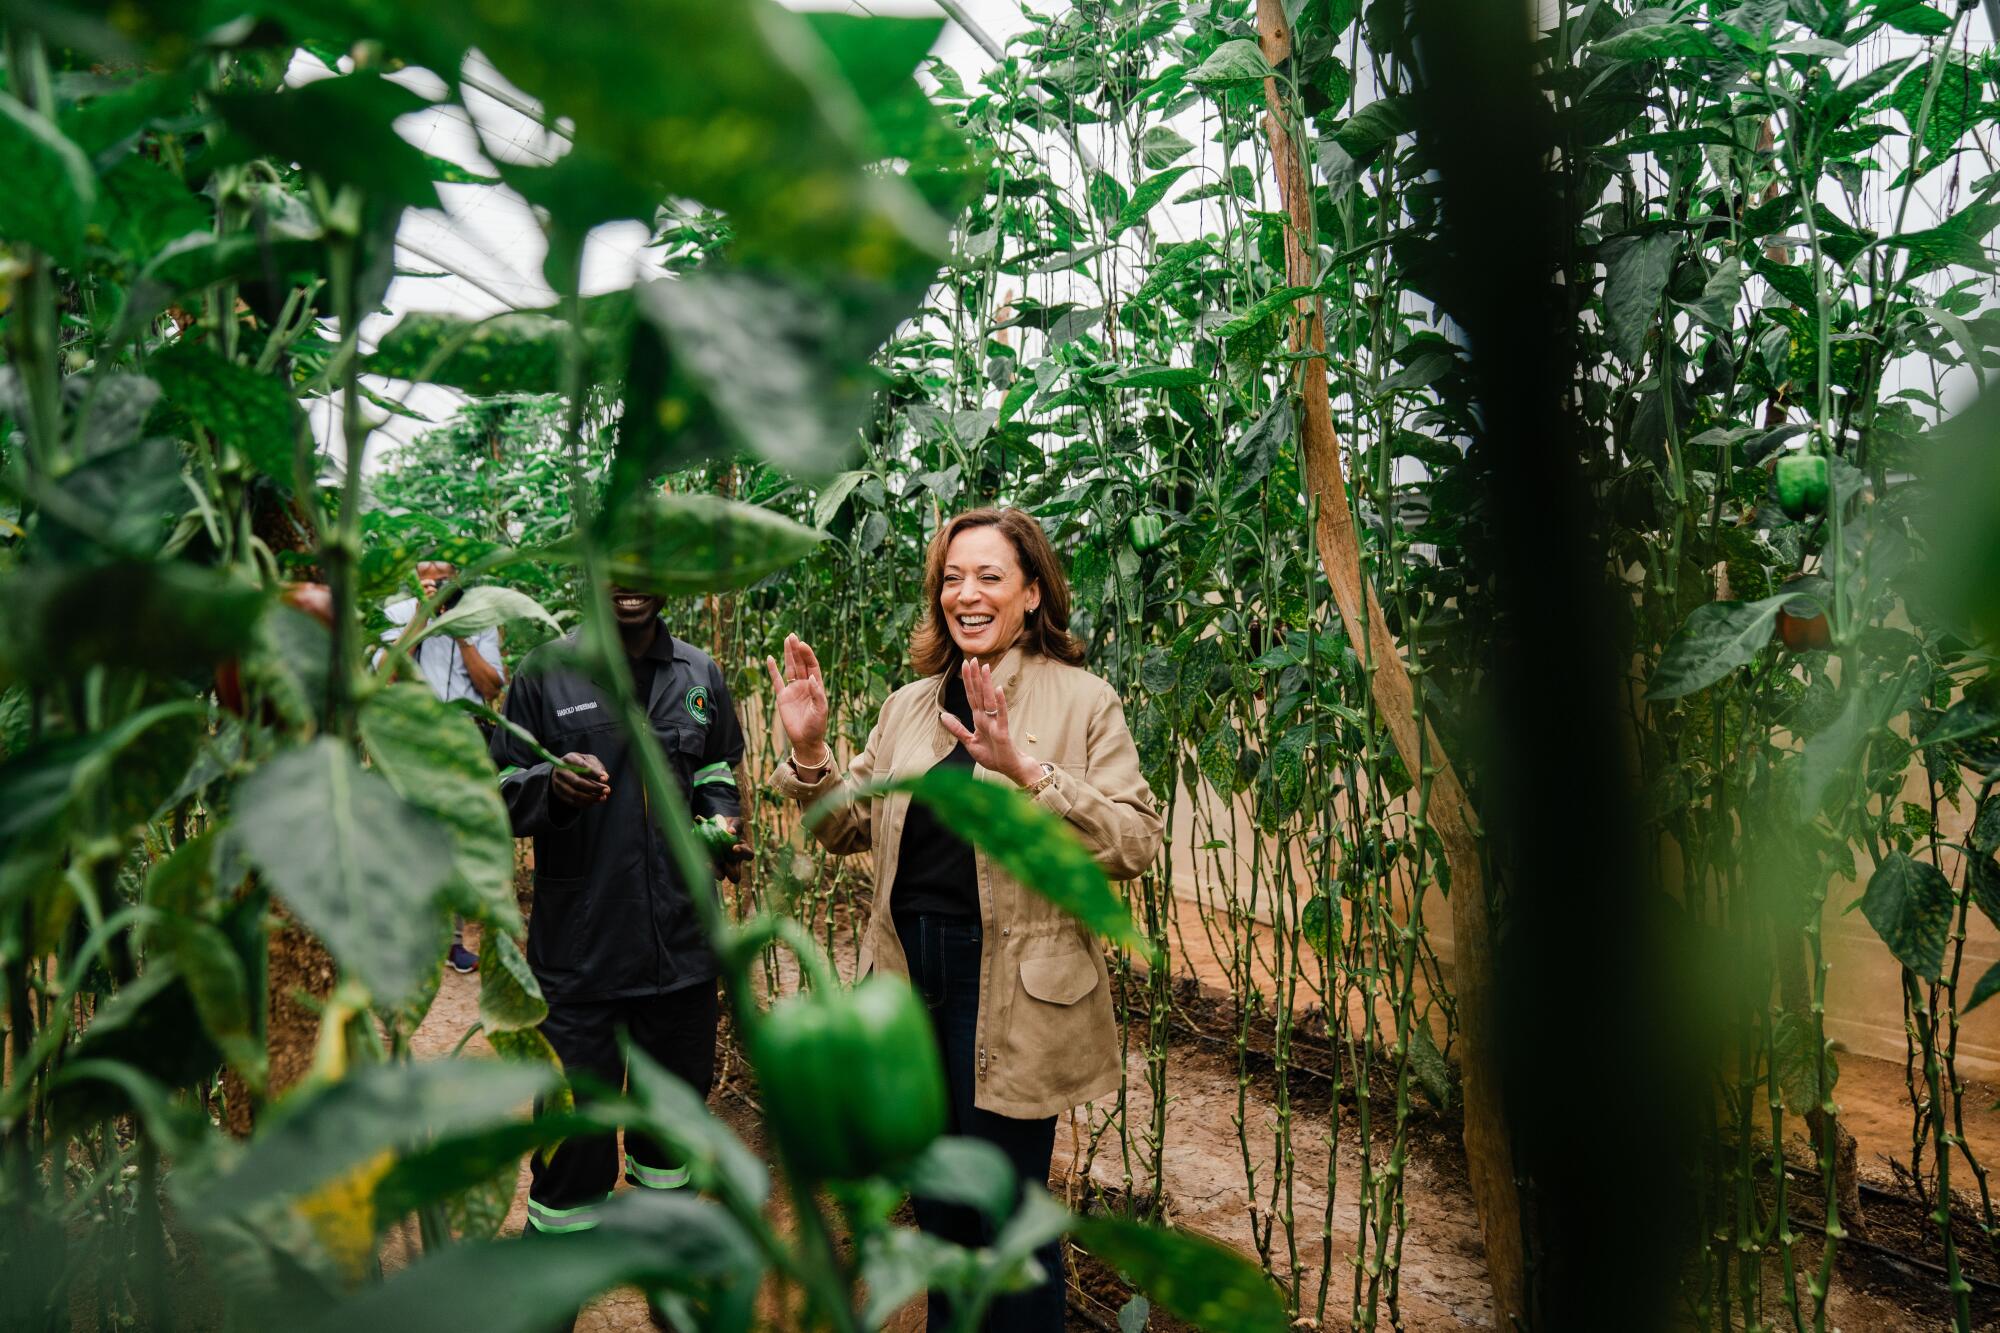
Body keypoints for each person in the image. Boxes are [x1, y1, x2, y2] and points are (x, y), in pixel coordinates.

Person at [766, 507, 1163, 1332]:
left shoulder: (1083, 700)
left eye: (989, 575)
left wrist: (1028, 769)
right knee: (941, 1206)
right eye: (951, 576)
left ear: (1031, 592)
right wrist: (810, 753)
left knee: (1008, 1217)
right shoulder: (911, 705)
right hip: (908, 980)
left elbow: (1134, 840)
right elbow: (847, 827)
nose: (966, 593)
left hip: (1013, 986)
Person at [489, 581, 747, 1262]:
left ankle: (664, 1278)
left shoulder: (699, 672)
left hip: (683, 960)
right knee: (572, 1157)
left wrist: (720, 820)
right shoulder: (545, 673)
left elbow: (717, 765)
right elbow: (500, 787)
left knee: (672, 1146)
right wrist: (551, 789)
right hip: (581, 965)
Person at [381, 559, 506, 974]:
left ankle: (452, 944)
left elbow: (491, 685)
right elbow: (384, 677)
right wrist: (421, 617)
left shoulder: (476, 618)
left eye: (442, 578)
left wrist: (461, 634)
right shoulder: (396, 613)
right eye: (425, 577)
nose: (434, 584)